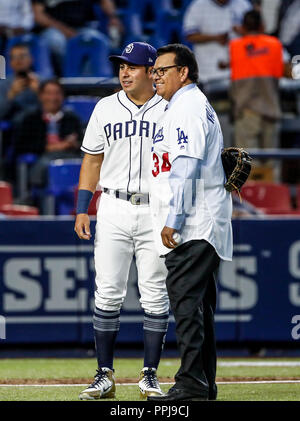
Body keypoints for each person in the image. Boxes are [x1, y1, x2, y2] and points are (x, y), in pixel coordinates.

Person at [74, 42, 169, 400]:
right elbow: (92, 160)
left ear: (151, 72)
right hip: (112, 205)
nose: (124, 72)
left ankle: (150, 375)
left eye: (132, 66)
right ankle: (104, 375)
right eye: (121, 67)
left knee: (155, 294)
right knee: (108, 291)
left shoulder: (170, 109)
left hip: (157, 208)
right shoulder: (105, 107)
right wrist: (83, 207)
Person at [147, 44, 233, 401]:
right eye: (153, 71)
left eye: (163, 70)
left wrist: (174, 219)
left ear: (184, 72)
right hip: (201, 220)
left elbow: (186, 169)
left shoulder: (187, 107)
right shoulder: (188, 106)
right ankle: (204, 383)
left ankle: (191, 384)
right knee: (197, 306)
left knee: (185, 305)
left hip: (193, 222)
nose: (155, 77)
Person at [229, 9, 284, 180]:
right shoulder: (275, 44)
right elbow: (279, 73)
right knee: (272, 162)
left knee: (246, 164)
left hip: (246, 111)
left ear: (242, 27)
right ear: (262, 26)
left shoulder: (235, 46)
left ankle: (251, 202)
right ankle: (273, 199)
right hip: (271, 108)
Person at [14, 79, 82, 188]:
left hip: (69, 155)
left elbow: (81, 142)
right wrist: (50, 147)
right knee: (45, 164)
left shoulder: (72, 119)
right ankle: (32, 196)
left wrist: (73, 144)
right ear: (41, 96)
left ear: (62, 96)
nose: (53, 98)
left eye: (57, 93)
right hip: (42, 156)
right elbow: (22, 145)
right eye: (48, 93)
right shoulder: (30, 119)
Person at [32, 0, 123, 75]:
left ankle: (93, 83)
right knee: (57, 43)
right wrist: (64, 30)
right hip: (54, 29)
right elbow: (38, 15)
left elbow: (105, 1)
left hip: (82, 28)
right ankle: (67, 80)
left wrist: (113, 17)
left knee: (99, 41)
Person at [182, 0, 251, 84]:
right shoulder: (198, 5)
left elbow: (257, 33)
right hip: (208, 74)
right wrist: (216, 38)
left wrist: (243, 31)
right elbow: (190, 35)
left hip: (240, 73)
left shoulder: (242, 4)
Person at [0, 44, 40, 124]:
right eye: (14, 57)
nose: (18, 61)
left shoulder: (43, 82)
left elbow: (53, 110)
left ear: (31, 59)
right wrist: (11, 95)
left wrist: (38, 92)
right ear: (10, 63)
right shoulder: (3, 85)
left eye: (22, 56)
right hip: (15, 127)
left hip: (40, 126)